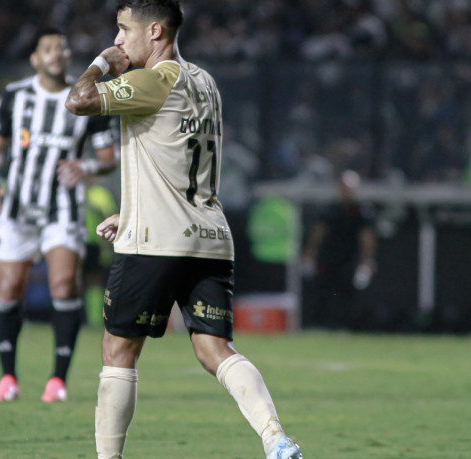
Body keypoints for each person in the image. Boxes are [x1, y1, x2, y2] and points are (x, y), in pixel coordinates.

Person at [64, 1, 302, 458]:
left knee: (118, 350)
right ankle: (276, 440)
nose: (117, 41)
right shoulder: (205, 82)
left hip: (156, 241)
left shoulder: (154, 80)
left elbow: (78, 101)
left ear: (154, 31)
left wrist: (101, 64)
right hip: (209, 234)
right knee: (215, 348)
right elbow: (174, 158)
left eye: (122, 30)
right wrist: (130, 210)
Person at [0, 28, 118, 403]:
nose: (58, 53)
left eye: (63, 46)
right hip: (18, 207)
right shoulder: (13, 96)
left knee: (62, 286)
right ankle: (8, 376)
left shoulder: (88, 97)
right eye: (49, 48)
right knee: (7, 289)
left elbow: (110, 158)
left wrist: (86, 166)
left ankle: (58, 381)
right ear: (35, 59)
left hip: (64, 208)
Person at [301, 169, 377, 329]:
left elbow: (366, 237)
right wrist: (310, 252)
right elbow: (319, 231)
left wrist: (367, 259)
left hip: (350, 258)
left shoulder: (361, 210)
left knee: (347, 292)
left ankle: (345, 325)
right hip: (329, 257)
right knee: (324, 290)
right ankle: (322, 323)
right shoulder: (331, 208)